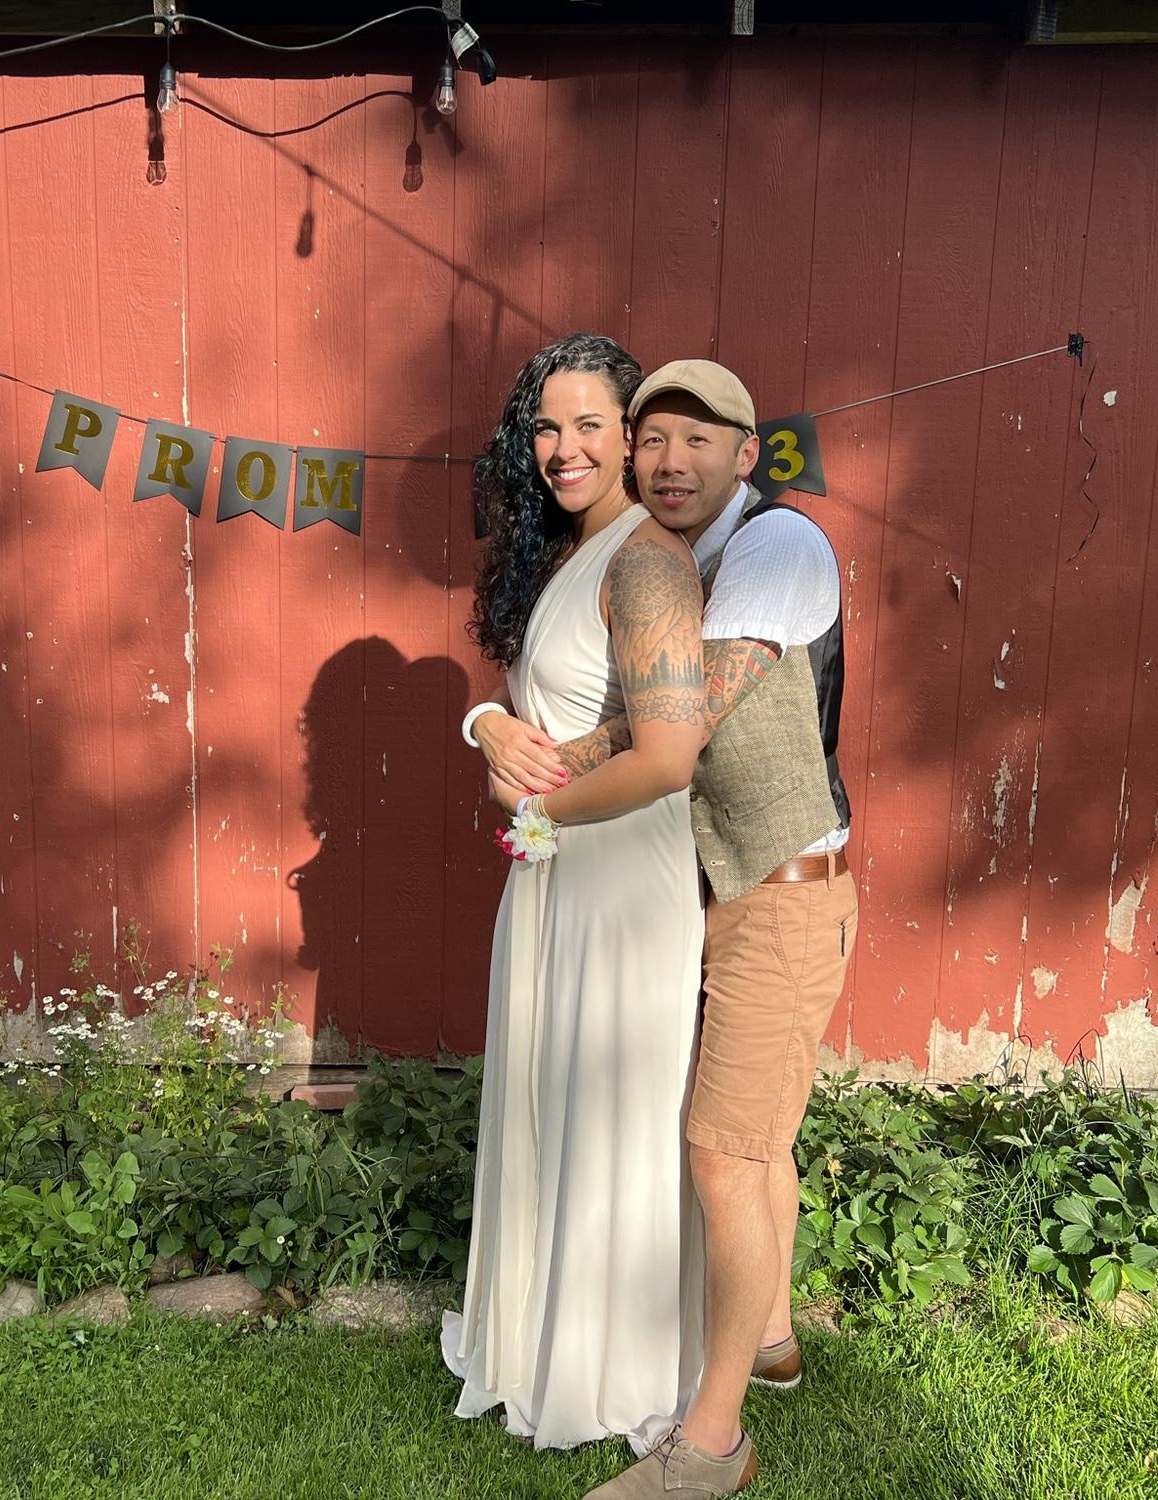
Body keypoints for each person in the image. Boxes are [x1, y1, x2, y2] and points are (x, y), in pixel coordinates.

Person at [472, 358, 857, 1498]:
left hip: (781, 891)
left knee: (723, 1154)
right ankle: (771, 1340)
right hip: (719, 888)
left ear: (749, 451)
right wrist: (491, 721)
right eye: (656, 440)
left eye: (701, 440)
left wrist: (531, 775)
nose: (671, 461)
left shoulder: (775, 548)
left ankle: (712, 1444)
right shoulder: (668, 555)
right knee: (757, 1142)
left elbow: (680, 718)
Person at [443, 333, 709, 1452]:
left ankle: (610, 1367)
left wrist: (538, 817)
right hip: (554, 869)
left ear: (633, 435)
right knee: (552, 1104)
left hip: (618, 881)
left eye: (590, 424)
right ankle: (537, 1339)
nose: (564, 449)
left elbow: (669, 756)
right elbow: (538, 729)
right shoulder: (568, 554)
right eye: (546, 427)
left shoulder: (647, 561)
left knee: (606, 1112)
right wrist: (486, 726)